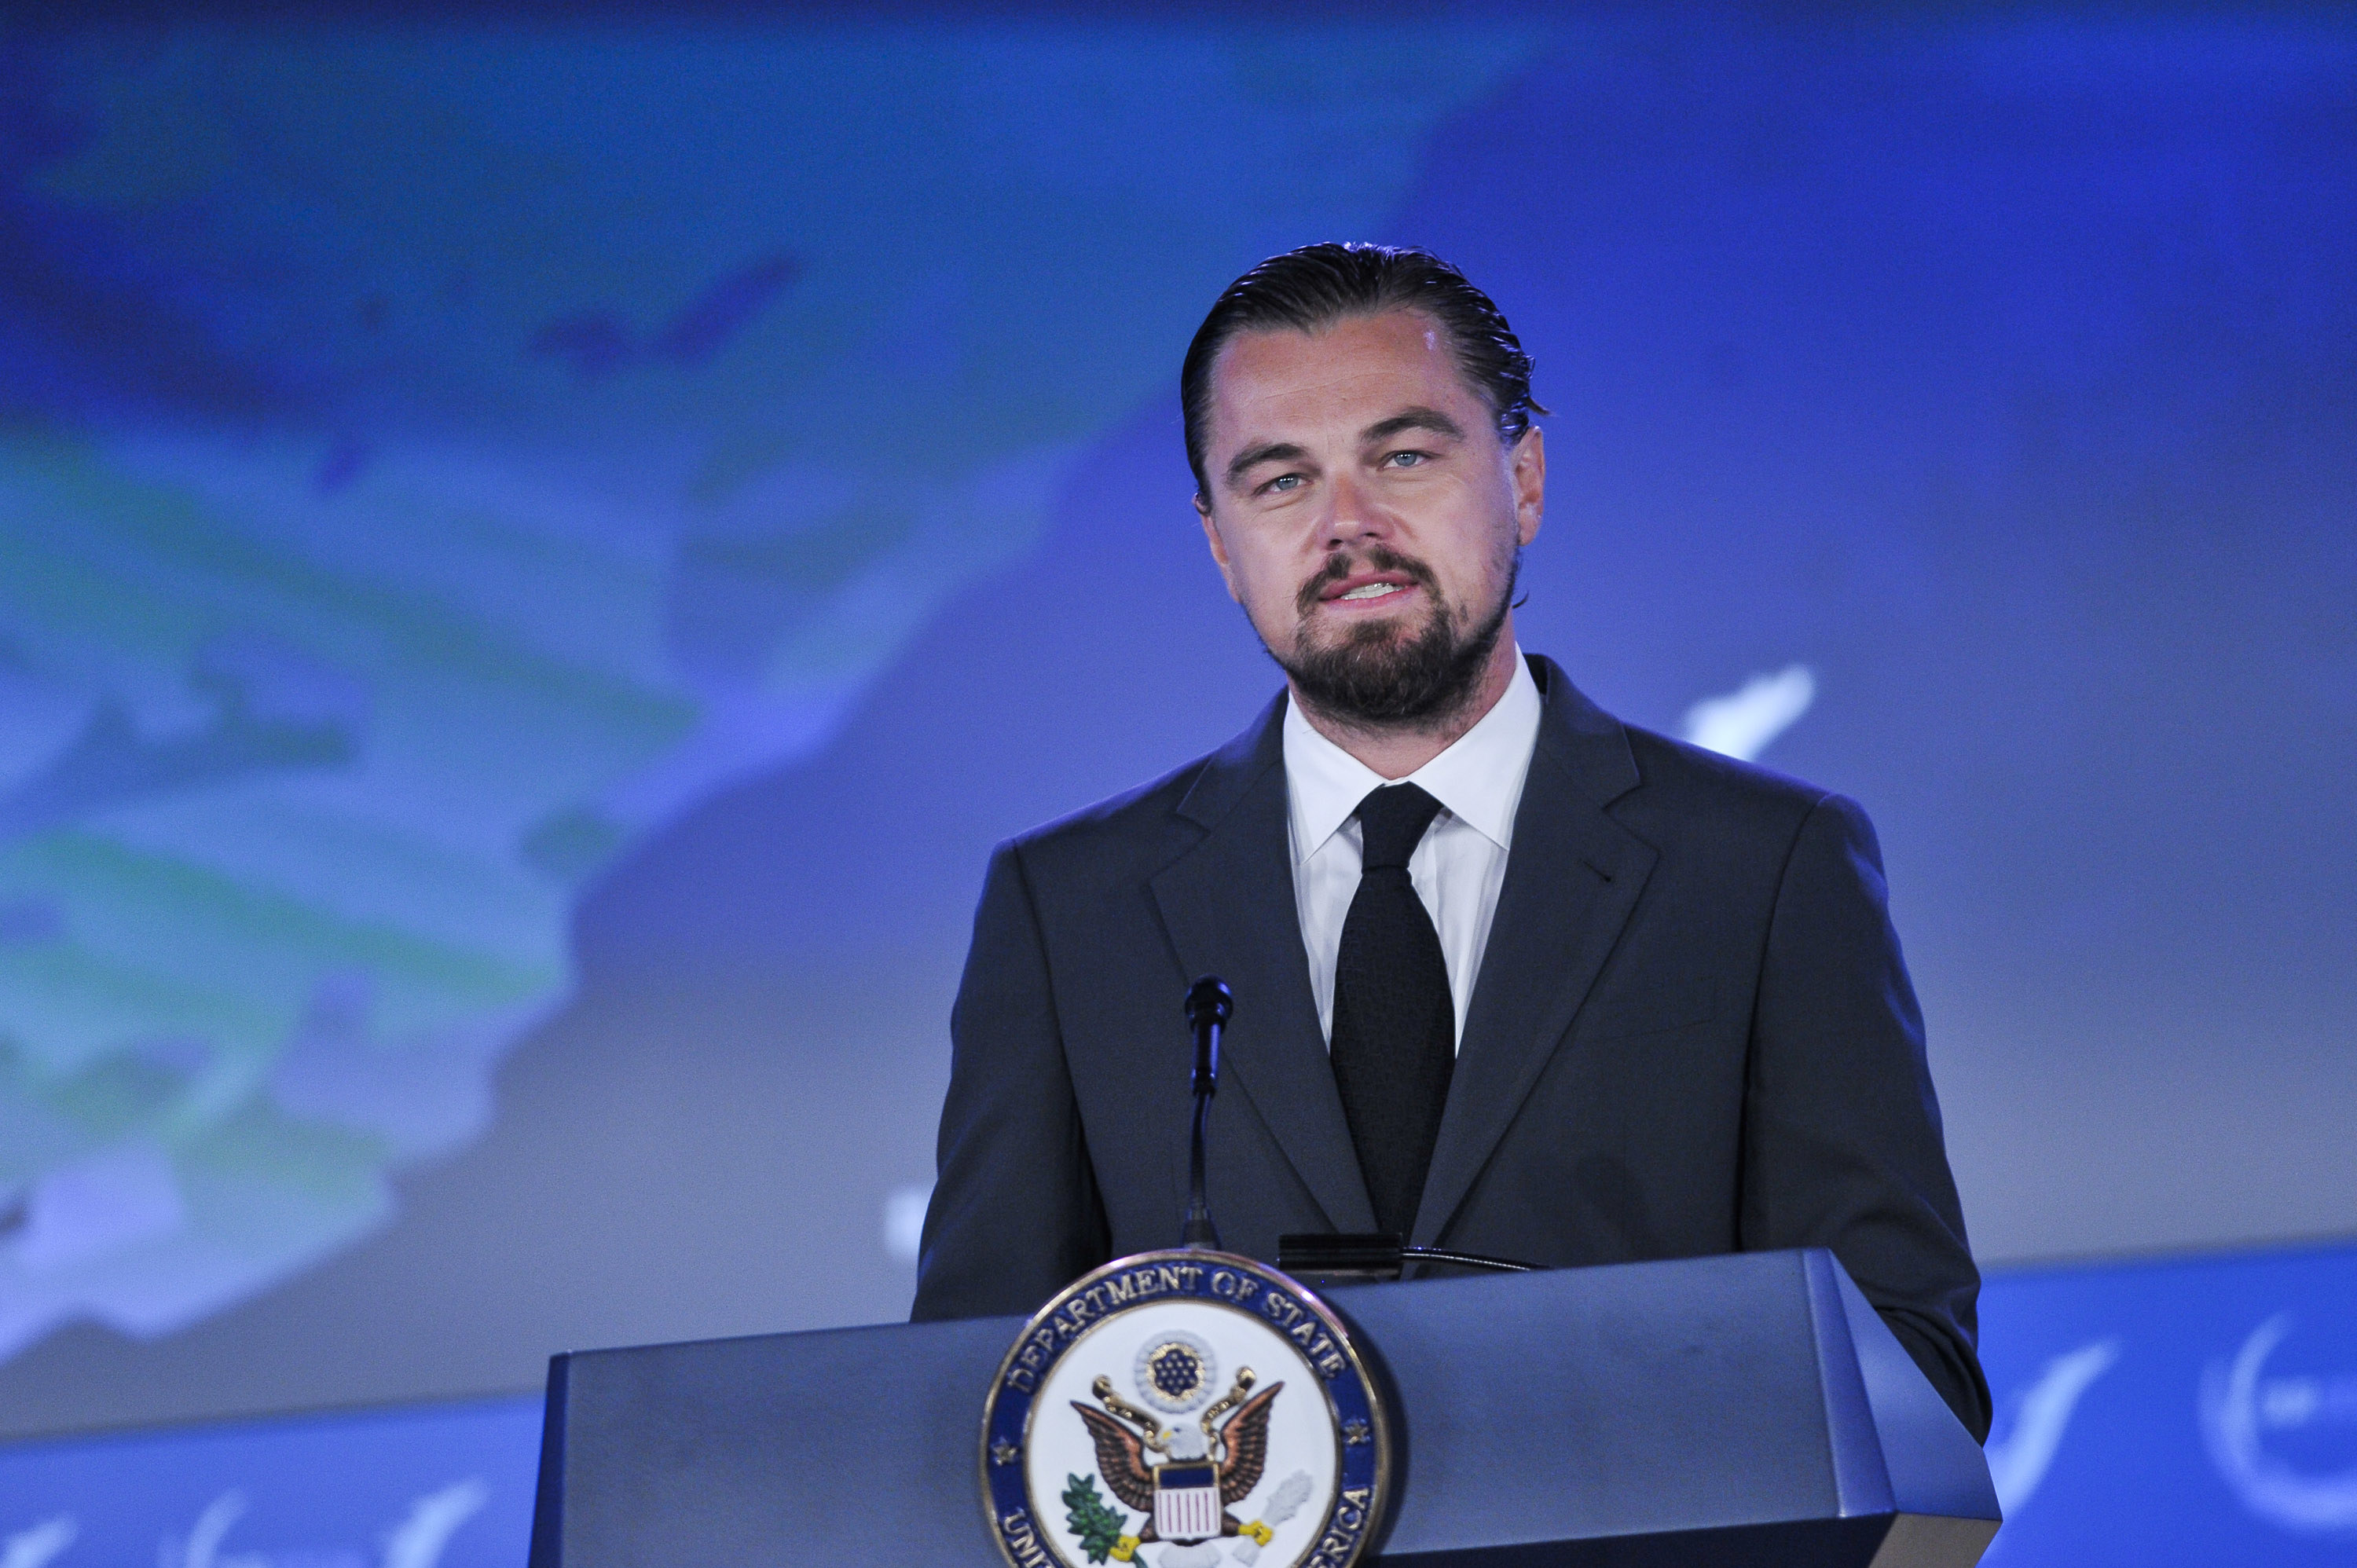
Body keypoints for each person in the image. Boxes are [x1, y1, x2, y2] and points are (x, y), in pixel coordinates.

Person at [911, 243, 1990, 1441]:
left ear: (1524, 479)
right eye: (1279, 482)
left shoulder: (1768, 868)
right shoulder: (1069, 913)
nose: (1349, 527)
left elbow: (1908, 1374)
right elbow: (977, 1403)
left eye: (1406, 456)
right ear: (1221, 544)